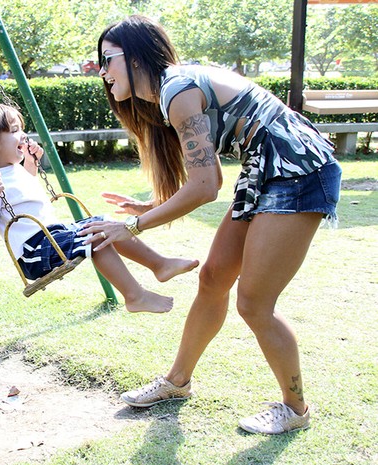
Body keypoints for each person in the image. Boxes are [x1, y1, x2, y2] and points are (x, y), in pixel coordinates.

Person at [78, 15, 341, 434]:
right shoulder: (173, 92)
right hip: (264, 171)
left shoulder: (177, 89)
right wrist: (152, 204)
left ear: (137, 57)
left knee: (254, 304)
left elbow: (206, 186)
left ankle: (295, 409)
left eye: (107, 59)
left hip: (298, 170)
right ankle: (176, 382)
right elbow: (205, 177)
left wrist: (133, 227)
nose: (102, 72)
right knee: (214, 277)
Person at [0, 103, 199, 314]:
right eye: (14, 130)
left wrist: (31, 163)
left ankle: (160, 264)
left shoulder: (15, 170)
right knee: (94, 237)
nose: (23, 135)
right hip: (34, 252)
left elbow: (27, 194)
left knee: (103, 224)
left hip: (52, 237)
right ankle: (135, 296)